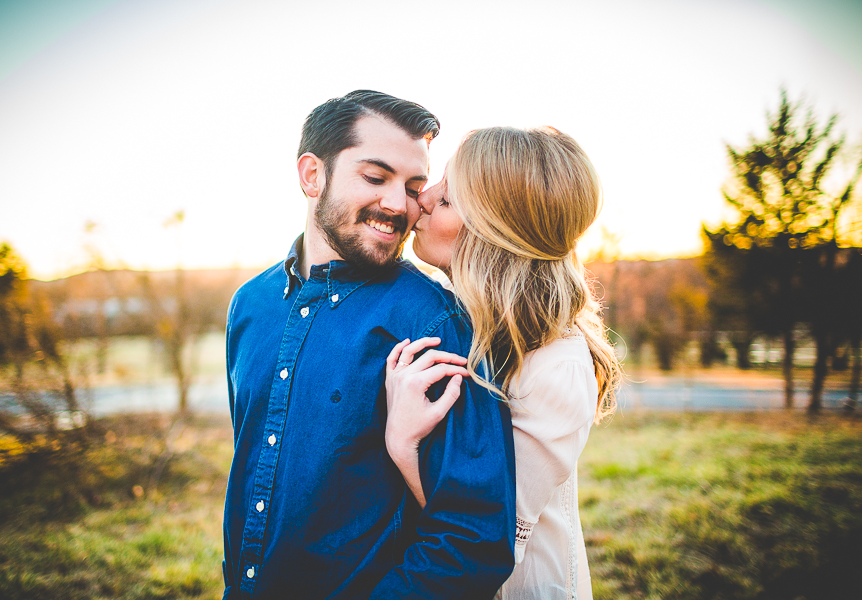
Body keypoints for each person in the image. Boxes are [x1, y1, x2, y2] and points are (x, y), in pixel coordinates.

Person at [221, 91, 516, 600]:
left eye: (413, 186)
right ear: (312, 175)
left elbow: (474, 539)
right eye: (375, 178)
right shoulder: (250, 306)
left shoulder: (434, 320)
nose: (398, 205)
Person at [384, 126, 620, 599]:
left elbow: (482, 536)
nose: (422, 199)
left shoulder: (556, 367)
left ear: (497, 232)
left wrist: (403, 443)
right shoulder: (453, 316)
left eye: (447, 200)